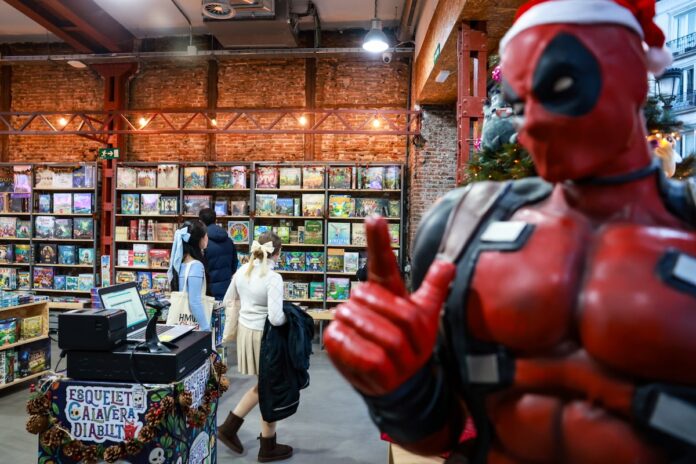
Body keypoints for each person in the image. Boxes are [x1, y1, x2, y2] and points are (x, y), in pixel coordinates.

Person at [324, 0, 696, 463]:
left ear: (633, 75)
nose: (532, 124)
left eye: (561, 87)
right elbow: (437, 432)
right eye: (519, 105)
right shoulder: (460, 226)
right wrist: (402, 391)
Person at [218, 231, 293, 462]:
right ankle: (267, 446)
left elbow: (228, 299)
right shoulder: (273, 278)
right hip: (265, 336)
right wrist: (292, 318)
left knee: (264, 385)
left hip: (245, 332)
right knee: (270, 388)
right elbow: (276, 318)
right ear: (277, 253)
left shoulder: (242, 271)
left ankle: (232, 428)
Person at [167, 220, 211, 331]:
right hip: (194, 326)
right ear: (200, 239)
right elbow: (194, 302)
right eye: (206, 235)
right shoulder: (196, 266)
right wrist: (206, 328)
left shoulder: (179, 263)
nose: (207, 237)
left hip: (180, 325)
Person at [199, 208, 238, 301]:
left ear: (201, 222)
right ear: (215, 220)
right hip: (226, 288)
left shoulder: (202, 242)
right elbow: (234, 263)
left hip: (208, 290)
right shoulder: (229, 240)